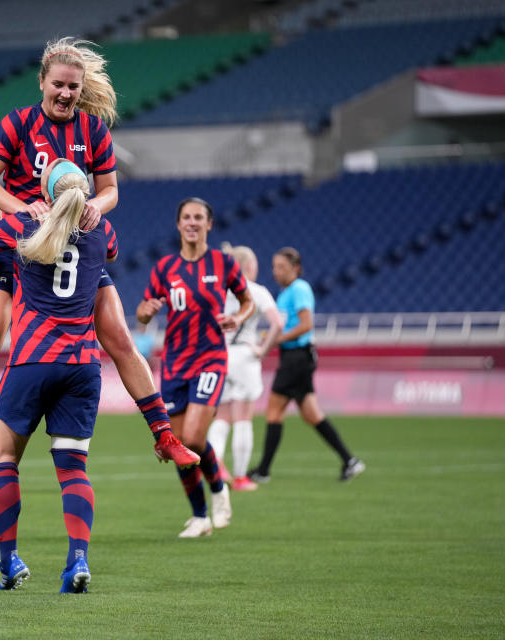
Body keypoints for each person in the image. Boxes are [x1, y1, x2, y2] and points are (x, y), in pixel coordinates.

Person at [0, 36, 198, 485]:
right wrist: (20, 208)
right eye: (58, 84)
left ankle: (164, 434)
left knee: (118, 335)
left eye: (73, 87)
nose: (65, 93)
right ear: (42, 82)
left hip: (71, 241)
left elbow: (111, 190)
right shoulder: (17, 124)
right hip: (20, 244)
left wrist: (100, 207)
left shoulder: (93, 131)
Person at [0, 159, 117, 592]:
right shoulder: (103, 232)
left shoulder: (23, 228)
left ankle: (10, 561)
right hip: (83, 365)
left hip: (31, 360)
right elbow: (109, 250)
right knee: (73, 469)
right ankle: (78, 559)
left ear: (45, 193)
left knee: (4, 460)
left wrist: (14, 210)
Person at [137, 198, 255, 538]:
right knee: (178, 445)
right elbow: (144, 314)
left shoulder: (223, 263)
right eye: (186, 217)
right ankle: (200, 516)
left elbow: (247, 301)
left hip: (210, 358)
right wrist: (147, 309)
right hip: (174, 364)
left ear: (209, 224)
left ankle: (218, 487)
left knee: (192, 438)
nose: (192, 222)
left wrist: (238, 317)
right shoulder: (164, 269)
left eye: (198, 217)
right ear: (178, 224)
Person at [248, 247, 365, 483]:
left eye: (281, 267)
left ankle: (263, 470)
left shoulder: (299, 289)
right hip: (297, 358)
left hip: (297, 357)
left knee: (273, 411)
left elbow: (306, 325)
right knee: (312, 415)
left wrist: (275, 339)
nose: (276, 271)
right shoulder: (285, 293)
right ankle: (349, 461)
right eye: (274, 266)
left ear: (296, 269)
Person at [206, 245, 283, 492]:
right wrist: (262, 349)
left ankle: (214, 464)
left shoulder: (219, 290)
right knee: (243, 418)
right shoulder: (257, 291)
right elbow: (278, 323)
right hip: (244, 355)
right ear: (249, 266)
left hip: (219, 355)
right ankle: (240, 477)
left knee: (222, 416)